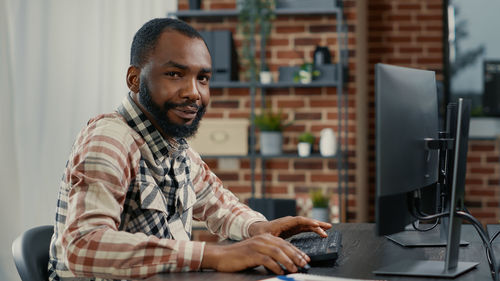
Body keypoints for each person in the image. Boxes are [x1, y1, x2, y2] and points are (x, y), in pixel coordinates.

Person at [48, 18, 332, 281]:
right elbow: (82, 245)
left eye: (203, 78)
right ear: (134, 79)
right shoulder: (109, 139)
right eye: (175, 74)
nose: (194, 92)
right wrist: (214, 255)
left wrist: (260, 229)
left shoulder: (174, 146)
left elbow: (220, 206)